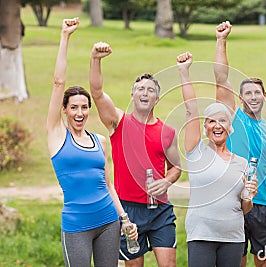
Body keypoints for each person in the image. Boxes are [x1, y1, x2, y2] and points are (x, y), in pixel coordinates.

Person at [46, 18, 137, 267]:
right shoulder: (57, 136)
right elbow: (58, 83)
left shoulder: (99, 140)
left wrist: (124, 218)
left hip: (109, 220)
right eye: (73, 107)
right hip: (77, 226)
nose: (80, 112)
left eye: (84, 107)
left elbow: (108, 185)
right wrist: (65, 36)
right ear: (64, 110)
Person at [89, 42, 181, 267]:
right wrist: (96, 59)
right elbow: (97, 93)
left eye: (150, 90)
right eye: (140, 89)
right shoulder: (119, 122)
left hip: (160, 209)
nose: (145, 92)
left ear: (156, 99)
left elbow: (177, 167)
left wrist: (166, 182)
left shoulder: (167, 132)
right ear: (132, 94)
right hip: (128, 210)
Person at [214, 21, 266, 267]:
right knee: (237, 260)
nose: (253, 97)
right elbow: (221, 78)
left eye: (258, 93)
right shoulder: (234, 118)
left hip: (263, 204)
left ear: (264, 96)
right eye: (248, 93)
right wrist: (221, 41)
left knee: (264, 262)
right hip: (233, 201)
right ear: (240, 97)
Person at [177, 51, 258, 267]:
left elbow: (244, 208)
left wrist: (249, 197)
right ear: (205, 127)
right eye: (211, 121)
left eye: (222, 120)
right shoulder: (196, 150)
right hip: (201, 234)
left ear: (229, 127)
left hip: (232, 237)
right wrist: (184, 73)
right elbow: (190, 108)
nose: (217, 125)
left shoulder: (242, 163)